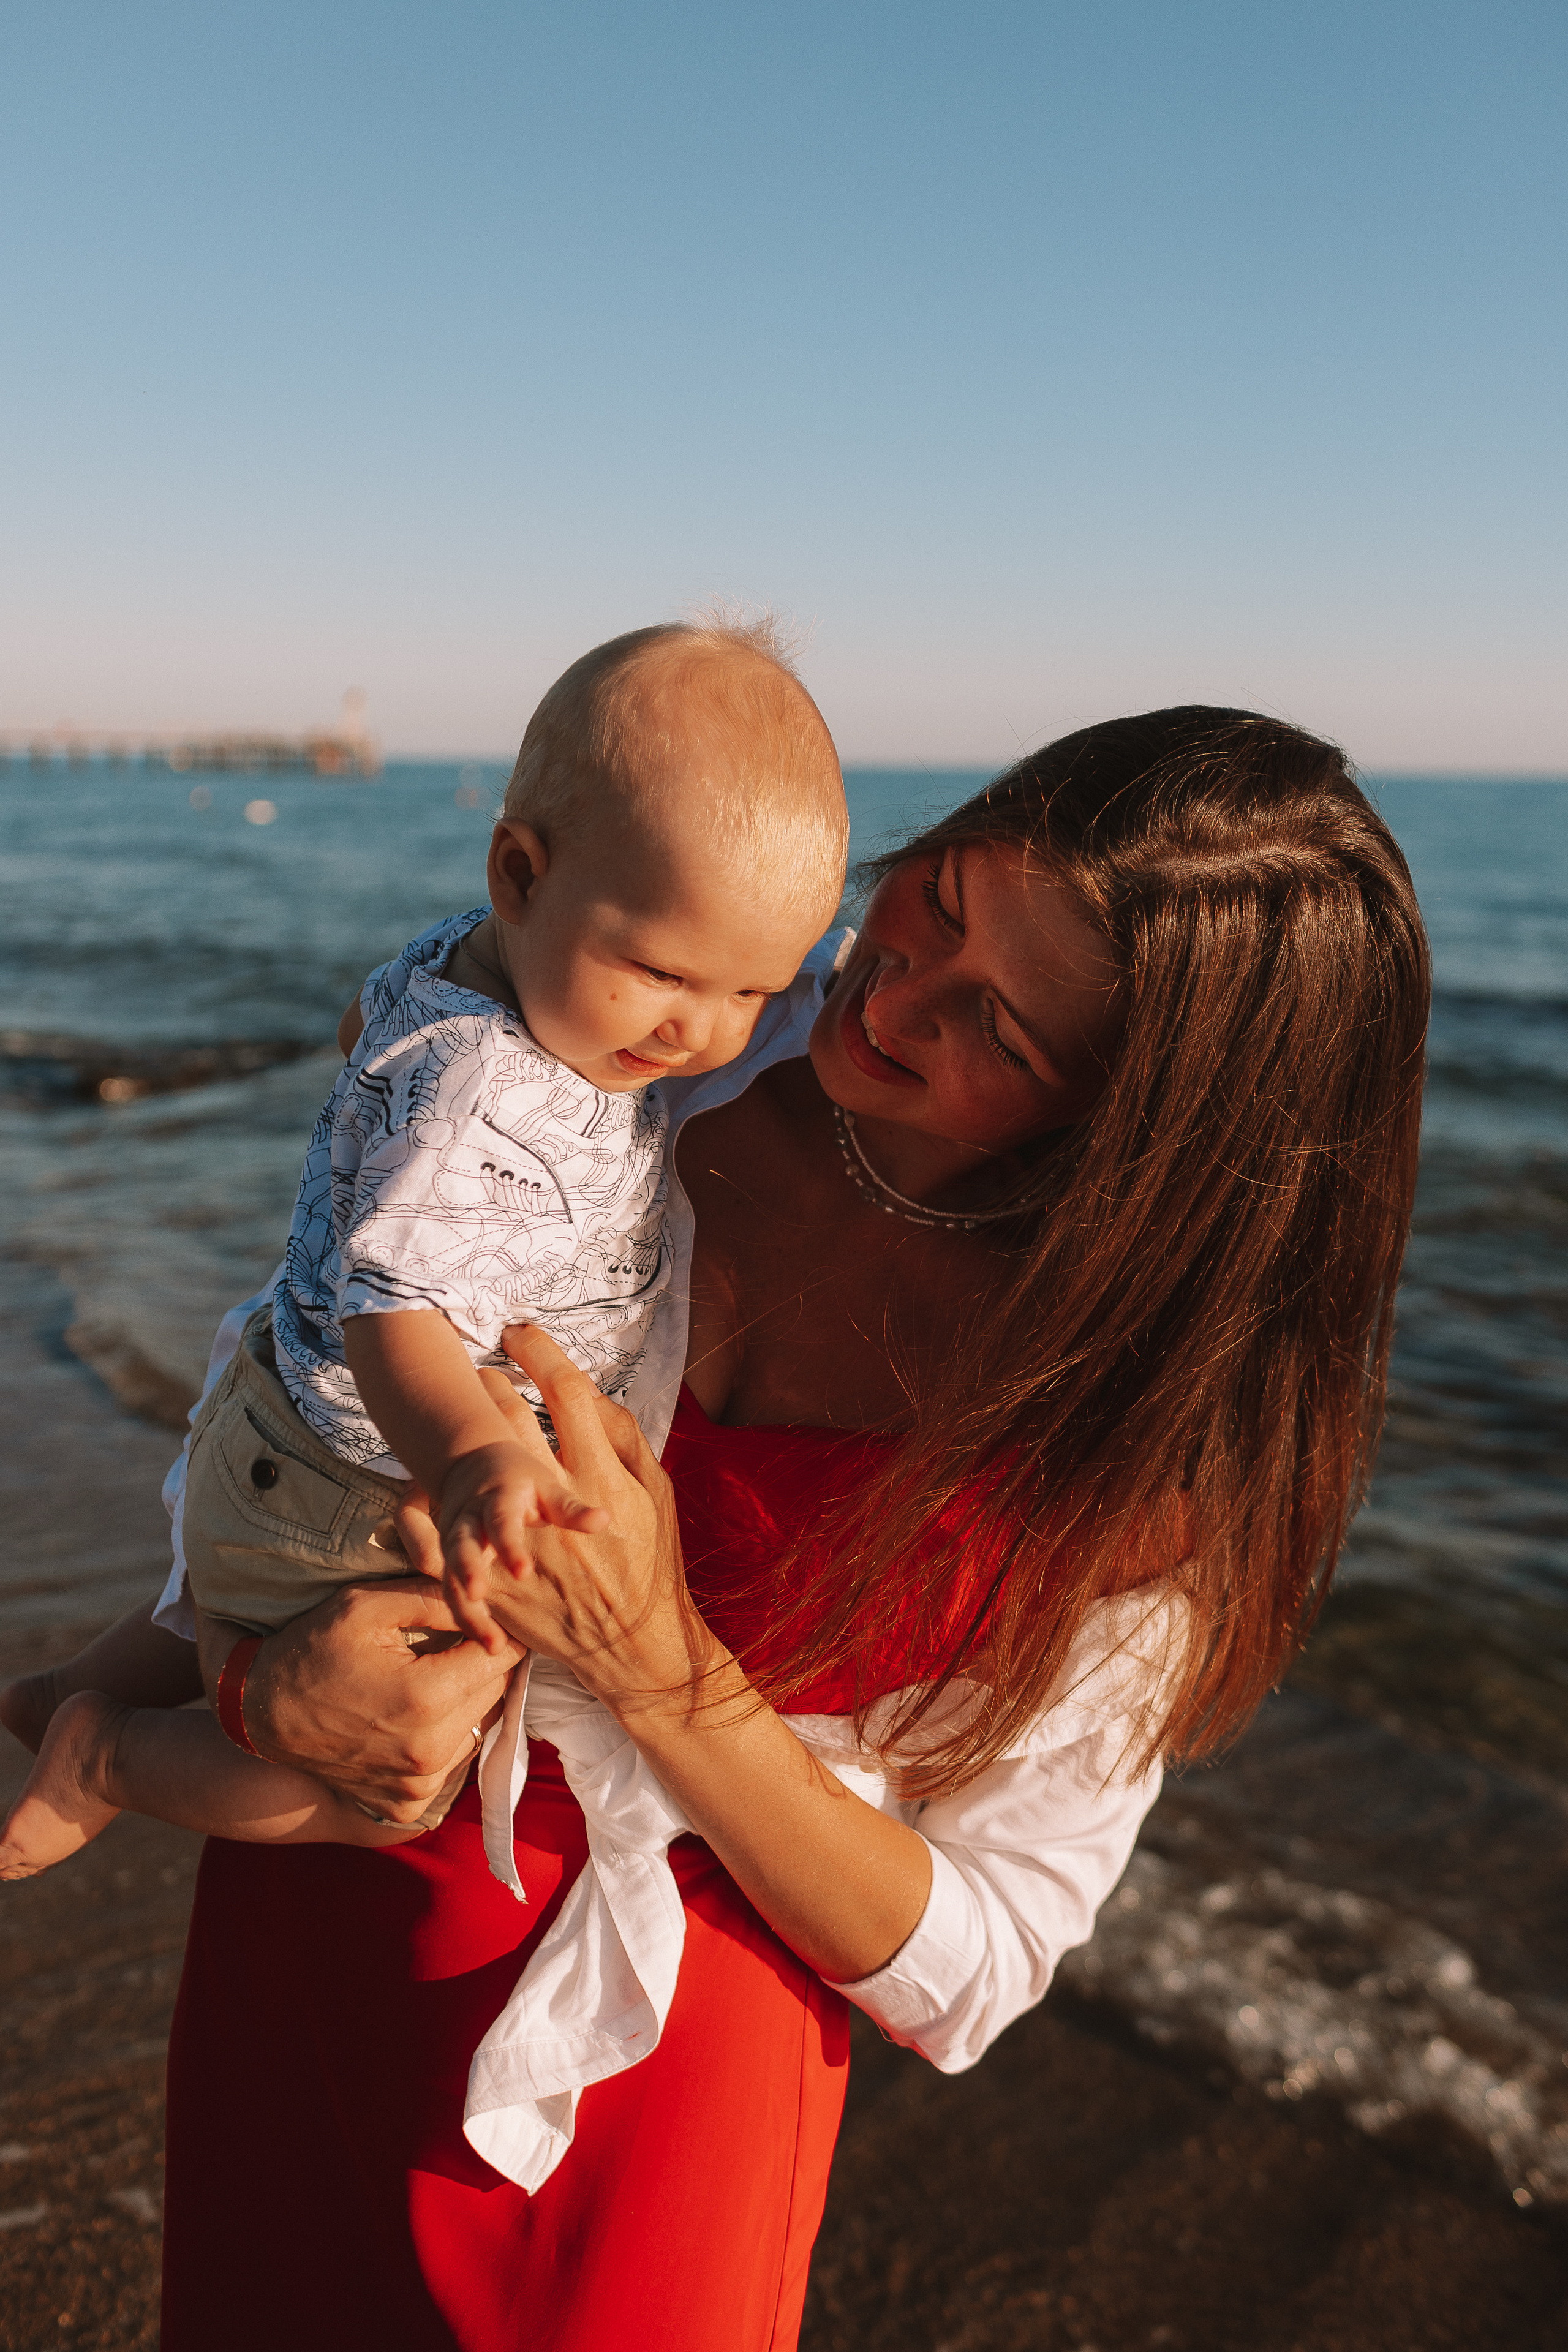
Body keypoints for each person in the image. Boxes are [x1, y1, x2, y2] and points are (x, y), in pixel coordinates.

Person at [2, 706, 1430, 2352]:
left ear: (1139, 1132)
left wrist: (664, 1669)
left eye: (1006, 1037)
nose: (890, 998)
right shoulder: (653, 1046)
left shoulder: (1138, 1444)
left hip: (649, 2045)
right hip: (324, 1889)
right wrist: (250, 1680)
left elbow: (975, 1967)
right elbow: (322, 1346)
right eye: (937, 901)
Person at [0, 615, 846, 1882]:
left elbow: (360, 1018)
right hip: (368, 1479)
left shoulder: (478, 954)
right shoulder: (485, 1098)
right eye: (662, 971)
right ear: (521, 872)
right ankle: (108, 1754)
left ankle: (68, 1681)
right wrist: (463, 1464)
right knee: (388, 1794)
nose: (697, 1033)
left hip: (283, 1434)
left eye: (749, 991)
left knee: (223, 1598)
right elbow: (393, 1311)